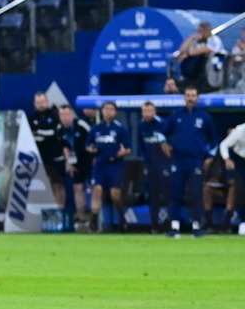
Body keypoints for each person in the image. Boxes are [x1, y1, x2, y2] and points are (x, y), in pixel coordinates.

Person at [160, 86, 218, 237]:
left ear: (198, 98)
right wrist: (164, 144)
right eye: (188, 95)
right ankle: (174, 227)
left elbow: (214, 140)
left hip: (196, 161)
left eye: (193, 95)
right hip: (178, 161)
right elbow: (162, 134)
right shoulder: (175, 116)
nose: (190, 98)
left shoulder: (204, 117)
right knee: (175, 194)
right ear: (184, 97)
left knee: (196, 194)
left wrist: (210, 157)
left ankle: (197, 227)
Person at [85, 101, 131, 233]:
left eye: (111, 109)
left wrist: (123, 152)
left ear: (115, 112)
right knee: (97, 190)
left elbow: (128, 148)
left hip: (115, 164)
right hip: (100, 164)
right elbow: (88, 145)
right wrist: (91, 149)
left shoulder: (120, 128)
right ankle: (93, 221)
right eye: (106, 109)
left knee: (115, 195)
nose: (108, 112)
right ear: (102, 111)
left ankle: (122, 219)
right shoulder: (96, 128)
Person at [30, 92, 67, 212]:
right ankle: (45, 213)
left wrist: (40, 132)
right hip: (40, 159)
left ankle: (60, 211)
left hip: (56, 158)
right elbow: (30, 136)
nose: (41, 105)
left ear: (47, 102)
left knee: (58, 185)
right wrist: (43, 134)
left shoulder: (55, 115)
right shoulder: (32, 118)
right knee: (44, 186)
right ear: (34, 104)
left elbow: (55, 133)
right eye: (38, 102)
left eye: (43, 102)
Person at [138, 100, 172, 233]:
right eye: (144, 112)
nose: (147, 114)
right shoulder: (141, 126)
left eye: (149, 111)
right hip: (150, 165)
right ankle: (154, 225)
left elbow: (170, 143)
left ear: (154, 111)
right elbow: (141, 145)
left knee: (168, 194)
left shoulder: (163, 124)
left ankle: (171, 222)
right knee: (153, 195)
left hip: (164, 164)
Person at [59, 104, 92, 231]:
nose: (65, 118)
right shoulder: (61, 129)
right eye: (62, 115)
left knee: (94, 188)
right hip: (76, 163)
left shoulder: (82, 125)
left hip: (89, 161)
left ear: (72, 114)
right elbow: (65, 147)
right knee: (77, 188)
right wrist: (70, 164)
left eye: (67, 114)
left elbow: (93, 139)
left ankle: (96, 218)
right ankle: (81, 217)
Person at [175, 21, 226, 91]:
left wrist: (187, 54)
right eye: (199, 31)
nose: (200, 33)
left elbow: (207, 49)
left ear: (208, 31)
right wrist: (192, 38)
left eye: (202, 31)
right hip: (194, 72)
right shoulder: (197, 40)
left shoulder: (215, 39)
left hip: (211, 70)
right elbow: (182, 50)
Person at [219, 121, 245, 234]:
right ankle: (243, 223)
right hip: (241, 161)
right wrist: (226, 158)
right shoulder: (240, 130)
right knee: (241, 192)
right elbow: (224, 145)